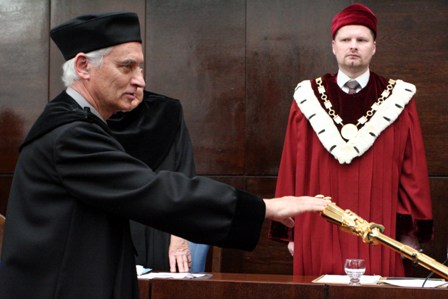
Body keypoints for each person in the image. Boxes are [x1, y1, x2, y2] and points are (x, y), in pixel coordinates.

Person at [0, 12, 330, 298]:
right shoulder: (70, 135)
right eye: (127, 66)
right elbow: (153, 190)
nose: (140, 80)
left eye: (141, 68)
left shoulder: (76, 124)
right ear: (84, 66)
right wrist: (262, 208)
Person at [269, 3, 433, 277]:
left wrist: (409, 232)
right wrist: (291, 232)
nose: (353, 46)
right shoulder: (307, 98)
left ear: (374, 47)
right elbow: (292, 165)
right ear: (334, 46)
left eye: (361, 40)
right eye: (346, 40)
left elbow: (411, 171)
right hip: (317, 226)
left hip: (381, 227)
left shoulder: (399, 99)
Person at [108, 90, 209, 273]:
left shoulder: (166, 111)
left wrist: (180, 236)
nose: (138, 80)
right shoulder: (82, 119)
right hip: (106, 229)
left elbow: (185, 178)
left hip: (161, 227)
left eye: (139, 69)